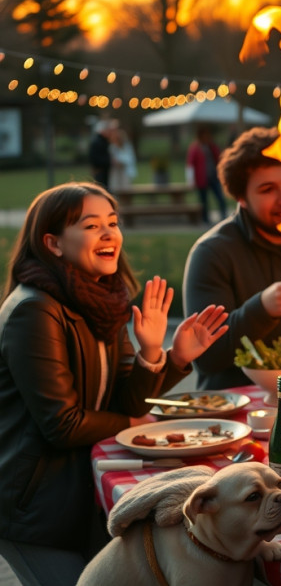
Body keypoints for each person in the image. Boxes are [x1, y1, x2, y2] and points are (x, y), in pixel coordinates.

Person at [0, 183, 228, 584]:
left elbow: (127, 399)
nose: (109, 234)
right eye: (91, 226)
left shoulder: (100, 300)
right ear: (52, 243)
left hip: (81, 492)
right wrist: (133, 426)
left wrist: (165, 355)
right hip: (34, 507)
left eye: (113, 222)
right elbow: (62, 424)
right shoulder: (35, 310)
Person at [183, 127, 281, 389]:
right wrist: (262, 309)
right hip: (236, 405)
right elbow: (205, 358)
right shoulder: (212, 252)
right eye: (267, 189)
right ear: (241, 198)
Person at [187, 125, 229, 223]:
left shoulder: (212, 146)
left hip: (213, 177)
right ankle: (205, 219)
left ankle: (224, 216)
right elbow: (190, 164)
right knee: (203, 201)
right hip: (202, 179)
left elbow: (219, 158)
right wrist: (191, 180)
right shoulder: (195, 148)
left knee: (220, 197)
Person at [108, 126, 138, 190]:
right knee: (116, 189)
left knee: (126, 189)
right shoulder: (112, 147)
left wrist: (121, 162)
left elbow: (130, 159)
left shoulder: (127, 147)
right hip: (116, 172)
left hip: (125, 172)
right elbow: (110, 159)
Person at [88, 121, 113, 189]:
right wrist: (108, 161)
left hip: (103, 170)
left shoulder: (103, 141)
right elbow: (95, 158)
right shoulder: (98, 142)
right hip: (100, 170)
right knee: (101, 187)